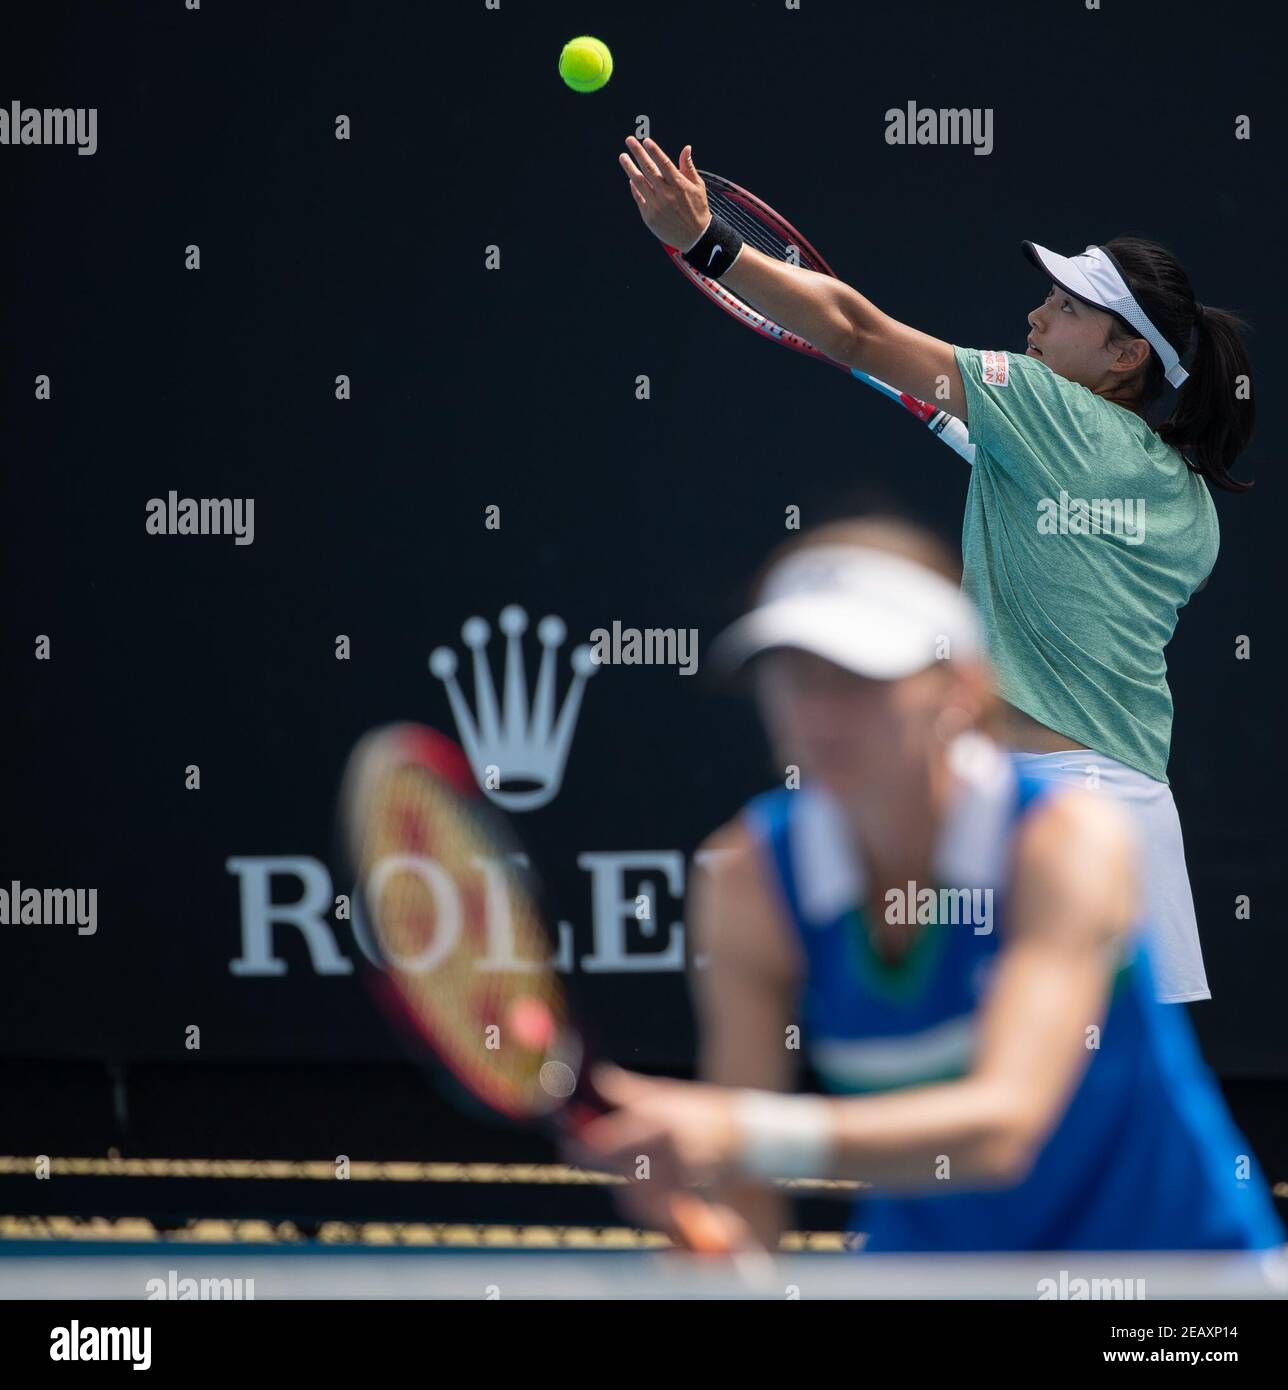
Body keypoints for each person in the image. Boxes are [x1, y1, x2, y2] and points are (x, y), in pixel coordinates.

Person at [618, 136, 1255, 1002]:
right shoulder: (1192, 506)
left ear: (1125, 354)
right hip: (1140, 808)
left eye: (1066, 310)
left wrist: (706, 241)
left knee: (991, 1075)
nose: (1035, 319)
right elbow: (1065, 520)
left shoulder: (1042, 409)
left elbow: (854, 329)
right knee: (1116, 1094)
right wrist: (999, 453)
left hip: (1043, 809)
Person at [573, 519, 1283, 1254]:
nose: (816, 713)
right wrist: (719, 1240)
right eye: (793, 675)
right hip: (930, 1274)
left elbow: (1004, 1128)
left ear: (961, 685)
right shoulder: (746, 876)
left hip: (1181, 1278)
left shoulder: (1065, 841)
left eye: (859, 678)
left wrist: (737, 1134)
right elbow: (744, 1202)